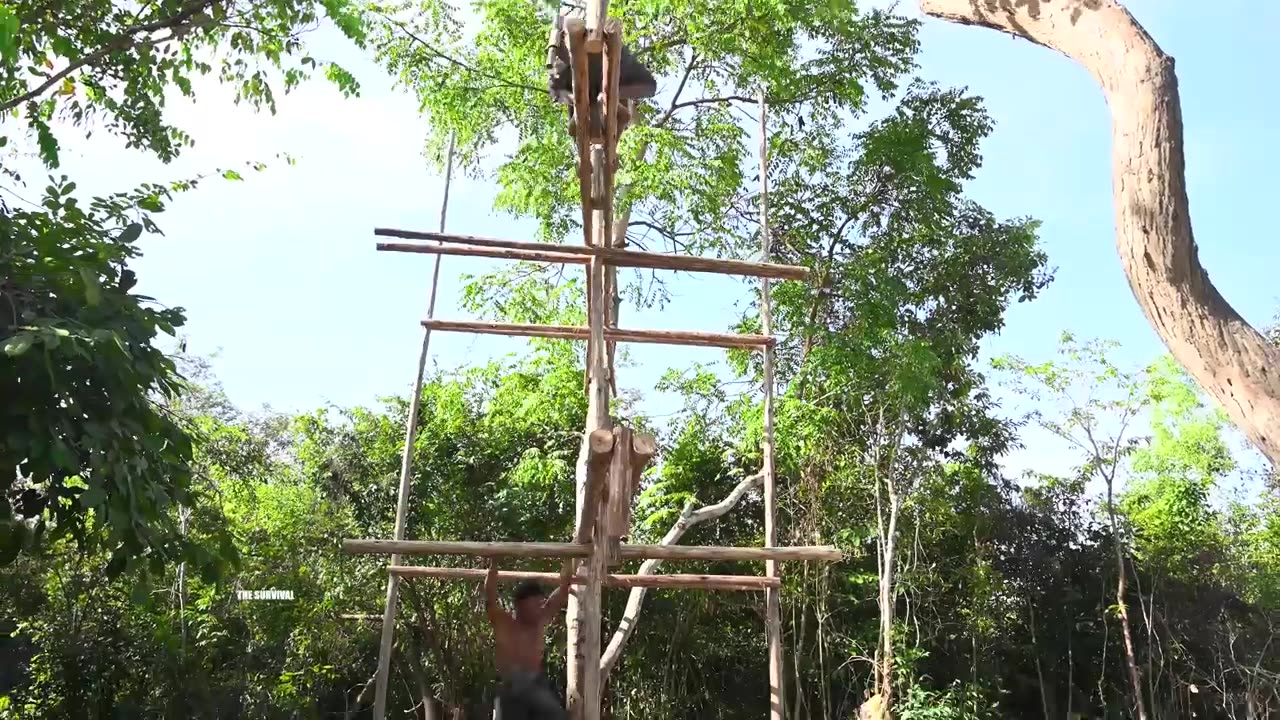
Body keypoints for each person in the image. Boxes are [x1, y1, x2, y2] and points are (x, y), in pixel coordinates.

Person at [486, 558, 578, 720]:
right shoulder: (505, 624)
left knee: (556, 715)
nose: (541, 608)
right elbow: (490, 599)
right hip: (510, 687)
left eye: (541, 603)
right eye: (536, 605)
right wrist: (494, 563)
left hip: (535, 684)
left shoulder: (540, 619)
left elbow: (563, 588)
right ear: (520, 606)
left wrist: (569, 556)